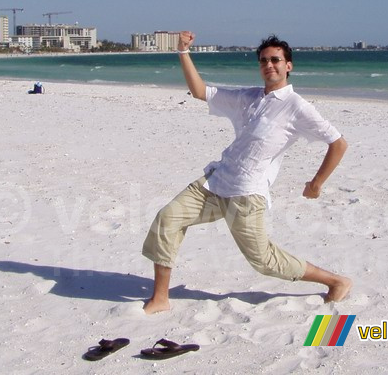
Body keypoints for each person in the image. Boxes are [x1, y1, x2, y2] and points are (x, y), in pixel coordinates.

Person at [141, 31, 351, 314]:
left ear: (288, 65)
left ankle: (336, 281)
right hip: (215, 182)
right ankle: (160, 298)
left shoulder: (296, 106)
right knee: (167, 219)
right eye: (264, 60)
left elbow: (338, 143)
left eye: (275, 60)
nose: (269, 65)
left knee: (264, 261)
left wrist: (317, 183)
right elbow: (201, 92)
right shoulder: (249, 97)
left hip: (246, 194)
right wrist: (183, 52)